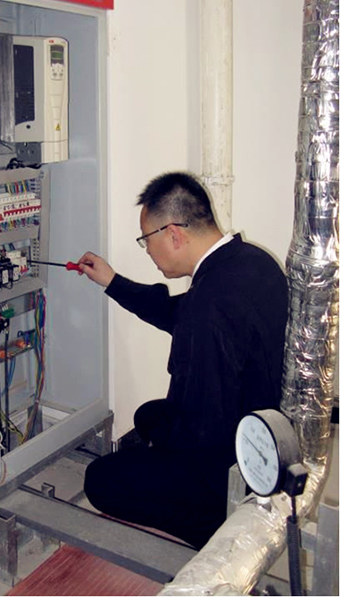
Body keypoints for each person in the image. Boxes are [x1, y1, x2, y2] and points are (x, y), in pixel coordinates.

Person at [77, 172, 288, 549]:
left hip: (231, 462)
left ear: (173, 234)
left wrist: (163, 452)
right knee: (148, 416)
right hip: (263, 423)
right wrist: (112, 281)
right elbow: (177, 311)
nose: (147, 250)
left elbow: (200, 429)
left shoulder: (206, 309)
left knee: (100, 480)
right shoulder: (252, 262)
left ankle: (217, 528)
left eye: (146, 240)